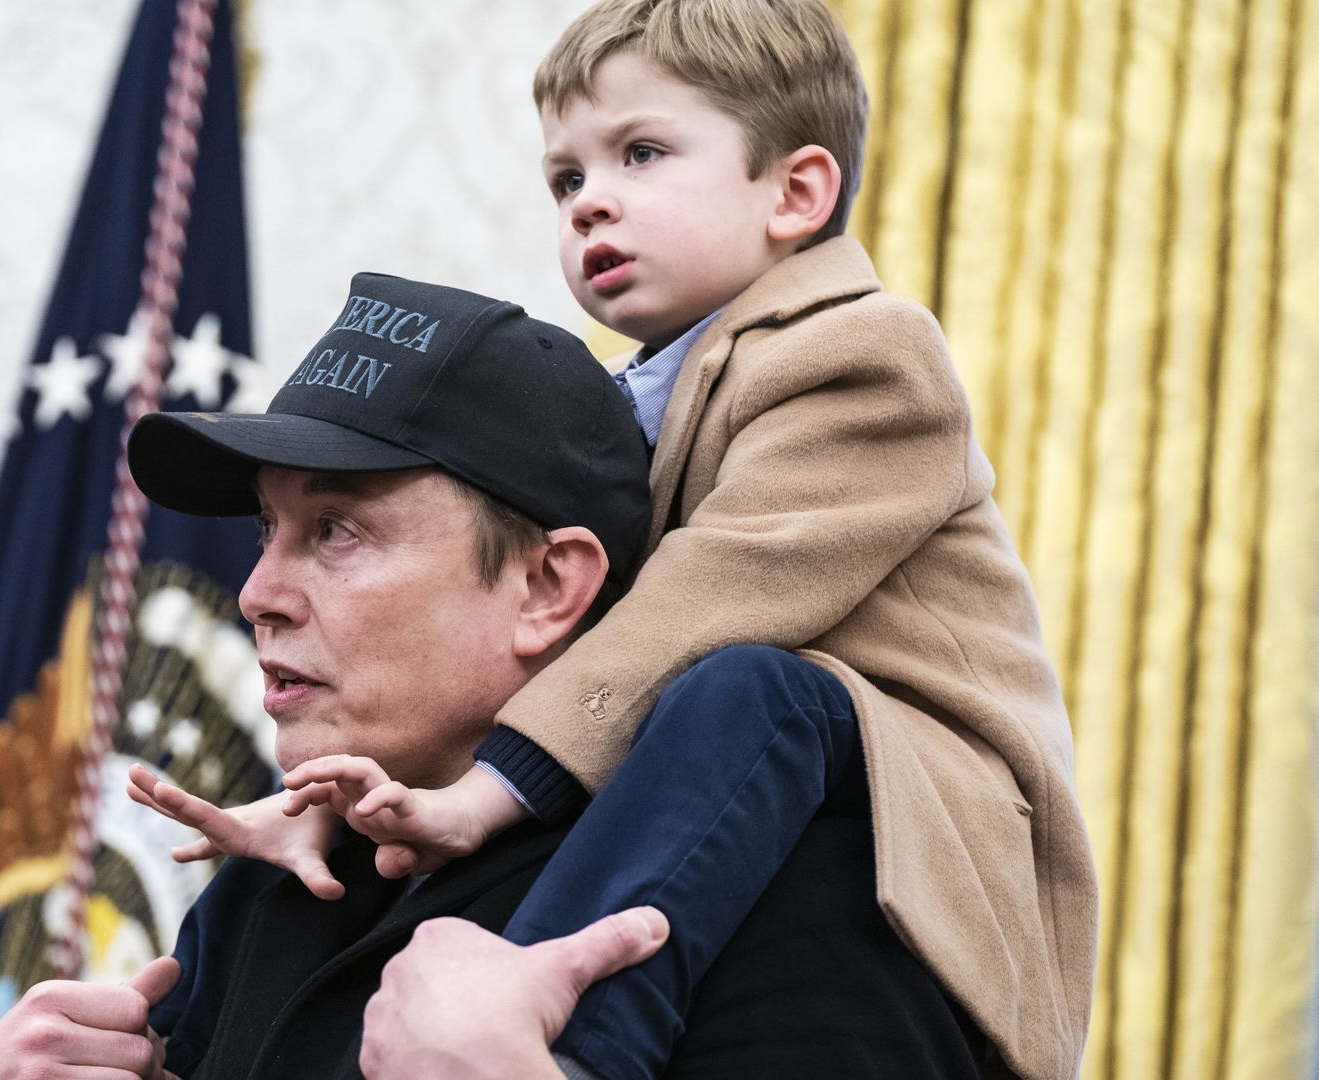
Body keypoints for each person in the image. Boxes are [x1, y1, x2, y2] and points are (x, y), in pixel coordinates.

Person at [144, 2, 1097, 1079]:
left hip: (903, 790)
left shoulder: (868, 358)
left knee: (749, 683)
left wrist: (483, 806)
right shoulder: (272, 904)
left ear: (798, 191)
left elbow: (704, 597)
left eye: (641, 154)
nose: (592, 200)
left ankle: (590, 1037)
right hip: (720, 741)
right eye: (565, 179)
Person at [0, 271, 991, 1079]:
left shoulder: (779, 888)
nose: (259, 591)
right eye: (269, 527)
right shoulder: (283, 889)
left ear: (549, 586)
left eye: (339, 531)